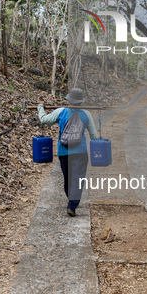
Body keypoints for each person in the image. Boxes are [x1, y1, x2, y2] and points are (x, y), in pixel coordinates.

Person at [37, 88, 98, 217]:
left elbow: (43, 120)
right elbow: (94, 135)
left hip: (64, 152)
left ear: (69, 99)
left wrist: (40, 107)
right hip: (81, 152)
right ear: (81, 102)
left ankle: (72, 199)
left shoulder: (60, 112)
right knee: (78, 179)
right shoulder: (86, 114)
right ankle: (72, 204)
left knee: (68, 178)